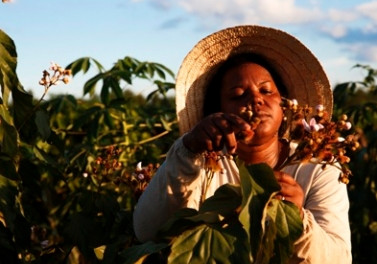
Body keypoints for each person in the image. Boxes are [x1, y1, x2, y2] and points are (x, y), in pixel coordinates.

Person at [133, 25, 352, 263]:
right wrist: (189, 149)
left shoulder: (318, 168)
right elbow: (148, 231)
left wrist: (297, 219)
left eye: (266, 91)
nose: (256, 100)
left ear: (285, 104)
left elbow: (339, 257)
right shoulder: (200, 163)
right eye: (238, 95)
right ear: (217, 112)